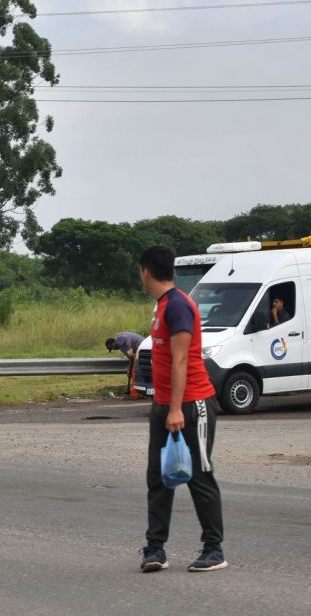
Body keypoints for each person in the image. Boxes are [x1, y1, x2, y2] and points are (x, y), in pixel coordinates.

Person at [138, 245, 227, 573]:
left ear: (146, 270)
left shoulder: (178, 306)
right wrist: (163, 406)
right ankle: (155, 549)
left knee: (199, 476)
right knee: (158, 478)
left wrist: (175, 408)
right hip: (164, 404)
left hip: (192, 405)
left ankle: (214, 548)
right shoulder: (162, 305)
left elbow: (180, 360)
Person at [105, 332, 146, 397]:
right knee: (136, 371)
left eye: (112, 348)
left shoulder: (118, 338)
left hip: (143, 346)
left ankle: (137, 393)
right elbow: (131, 359)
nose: (114, 349)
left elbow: (127, 338)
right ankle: (139, 391)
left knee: (135, 371)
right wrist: (129, 370)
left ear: (112, 344)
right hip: (141, 349)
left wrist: (130, 349)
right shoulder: (121, 347)